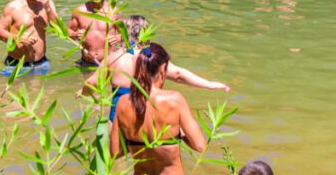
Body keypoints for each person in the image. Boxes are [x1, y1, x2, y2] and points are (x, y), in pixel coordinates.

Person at [110, 42, 206, 175]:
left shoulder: (124, 103)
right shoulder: (174, 100)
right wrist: (177, 135)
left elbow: (115, 152)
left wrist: (136, 140)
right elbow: (200, 145)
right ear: (162, 70)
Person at [81, 14, 230, 120]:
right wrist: (210, 85)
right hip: (148, 114)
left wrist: (83, 92)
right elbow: (178, 75)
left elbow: (91, 84)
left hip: (119, 117)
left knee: (116, 160)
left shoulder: (114, 58)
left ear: (124, 33)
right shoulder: (150, 56)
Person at [0, 0, 59, 74]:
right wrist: (18, 38)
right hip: (16, 65)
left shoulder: (48, 3)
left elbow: (58, 30)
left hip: (41, 63)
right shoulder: (13, 7)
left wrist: (48, 8)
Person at [67, 0, 121, 66]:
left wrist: (117, 38)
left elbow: (126, 34)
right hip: (86, 63)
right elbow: (67, 31)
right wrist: (75, 35)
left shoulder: (114, 11)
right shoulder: (80, 11)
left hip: (109, 63)